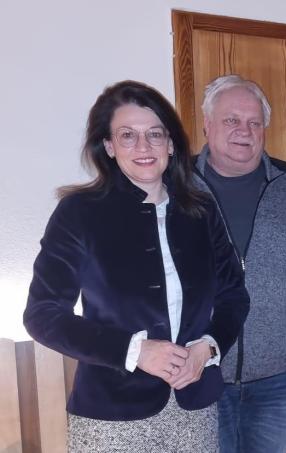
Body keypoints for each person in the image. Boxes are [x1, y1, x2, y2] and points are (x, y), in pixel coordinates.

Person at [23, 80, 250, 452]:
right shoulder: (79, 213)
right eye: (127, 135)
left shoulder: (201, 210)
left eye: (155, 135)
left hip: (194, 407)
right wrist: (135, 351)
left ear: (172, 144)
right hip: (112, 415)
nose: (143, 147)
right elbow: (42, 314)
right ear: (109, 146)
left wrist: (207, 349)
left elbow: (234, 297)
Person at [194, 74, 286, 453]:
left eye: (254, 122)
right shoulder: (175, 185)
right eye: (231, 120)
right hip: (196, 372)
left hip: (275, 378)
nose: (244, 131)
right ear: (206, 125)